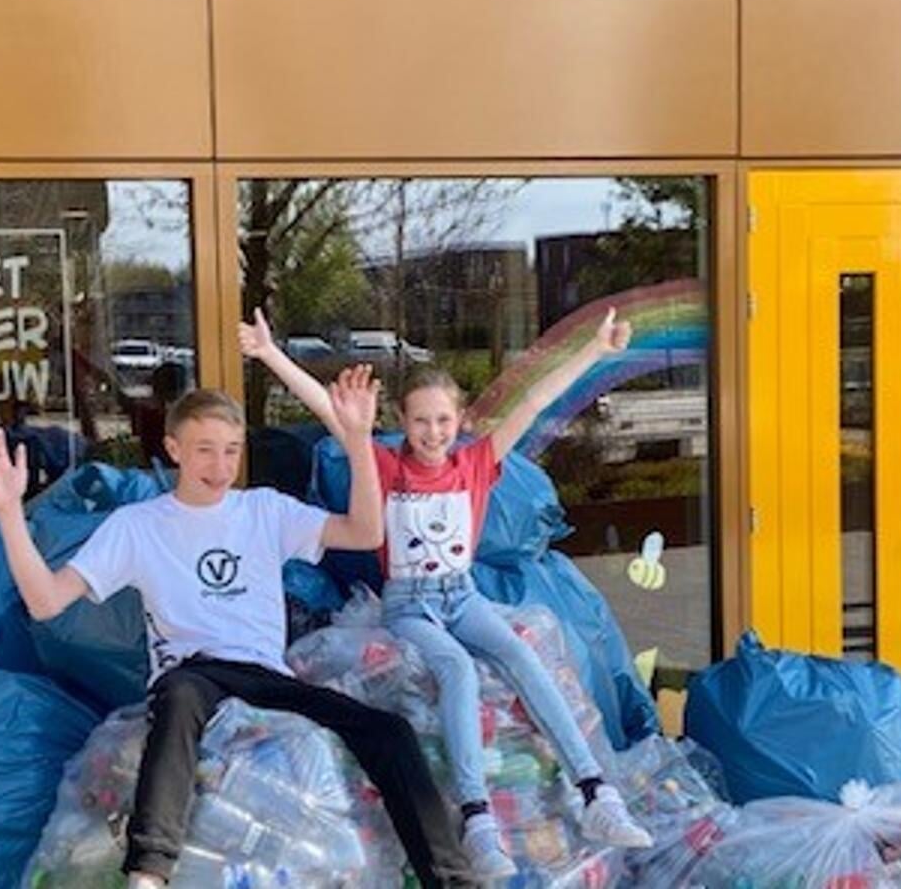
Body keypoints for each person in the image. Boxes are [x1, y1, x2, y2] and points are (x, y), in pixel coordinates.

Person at [0, 371, 480, 889]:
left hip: (266, 673)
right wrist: (9, 511)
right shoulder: (138, 525)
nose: (220, 467)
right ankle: (149, 873)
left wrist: (356, 440)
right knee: (180, 695)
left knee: (390, 731)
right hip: (195, 672)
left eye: (232, 451)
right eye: (205, 450)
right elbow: (45, 600)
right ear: (173, 448)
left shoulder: (262, 509)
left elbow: (366, 531)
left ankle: (455, 880)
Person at [240, 308, 654, 880]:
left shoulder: (474, 462)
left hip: (463, 596)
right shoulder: (385, 465)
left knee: (520, 655)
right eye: (420, 423)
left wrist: (594, 351)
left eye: (442, 421)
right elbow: (331, 413)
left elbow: (532, 403)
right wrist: (269, 354)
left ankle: (595, 792)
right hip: (409, 601)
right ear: (402, 423)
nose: (432, 433)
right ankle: (477, 818)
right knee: (455, 668)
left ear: (459, 420)